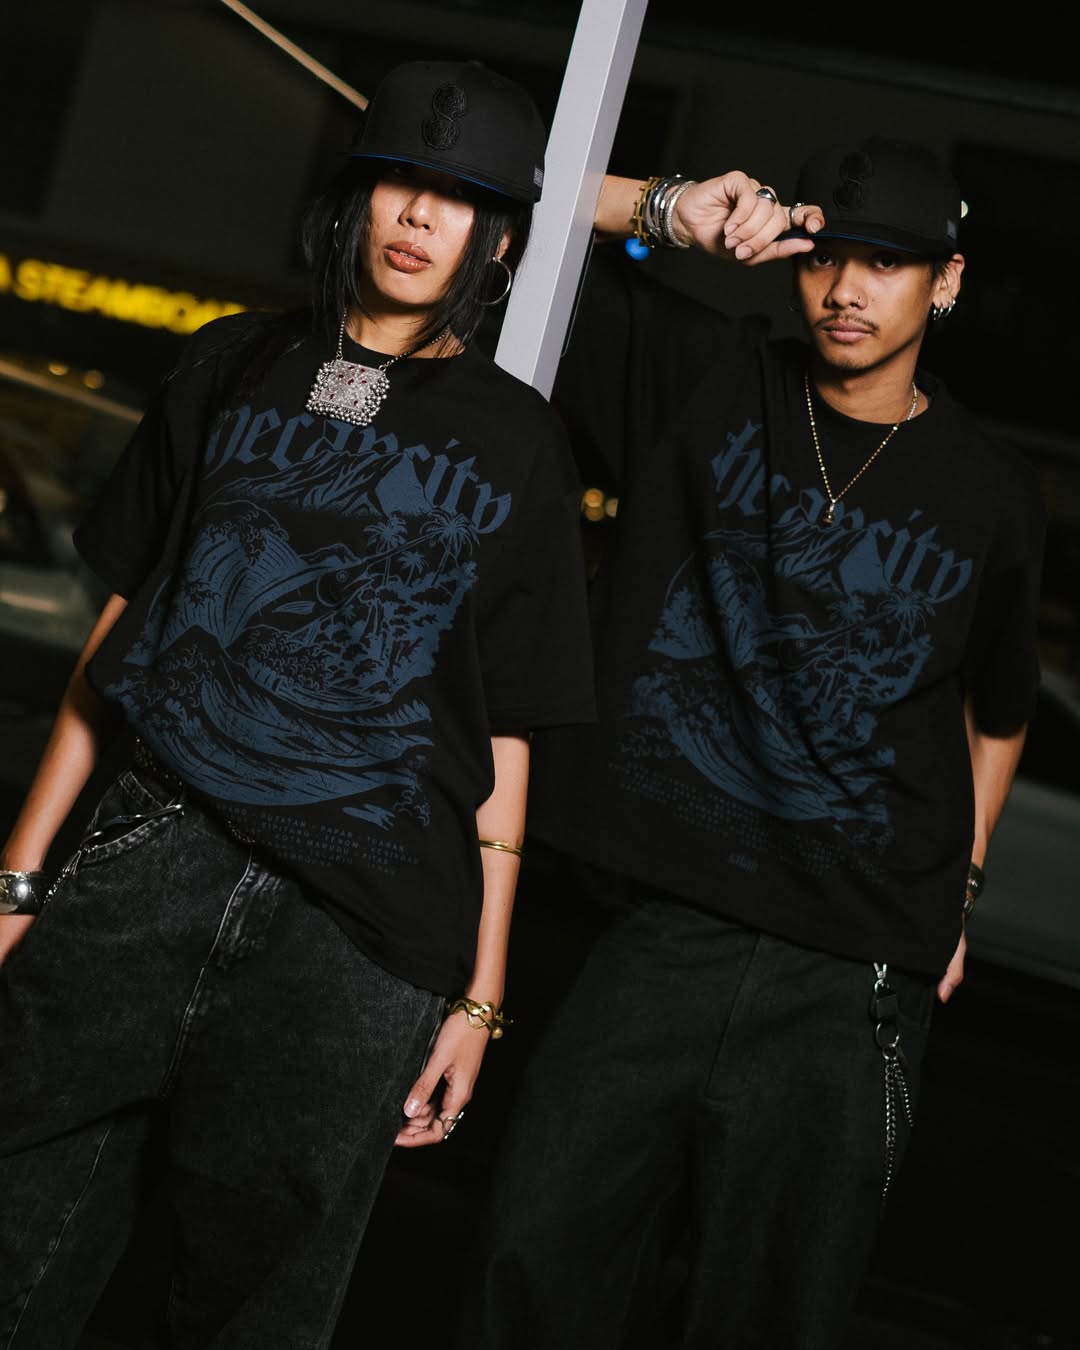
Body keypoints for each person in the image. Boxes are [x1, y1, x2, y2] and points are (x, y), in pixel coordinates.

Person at [0, 57, 593, 1350]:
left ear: (498, 239)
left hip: (359, 933)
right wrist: (21, 873)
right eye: (400, 179)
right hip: (156, 850)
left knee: (255, 1312)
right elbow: (117, 628)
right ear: (355, 196)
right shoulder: (232, 362)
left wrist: (481, 996)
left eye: (459, 196)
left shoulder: (520, 443)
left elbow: (502, 733)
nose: (419, 214)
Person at [469, 137, 1046, 1349]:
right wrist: (667, 206)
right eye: (827, 258)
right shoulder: (707, 381)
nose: (847, 290)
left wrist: (961, 888)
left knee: (766, 1319)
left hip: (854, 973)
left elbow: (997, 712)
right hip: (663, 930)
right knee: (531, 1271)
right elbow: (498, 218)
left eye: (886, 264)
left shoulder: (992, 496)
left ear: (945, 282)